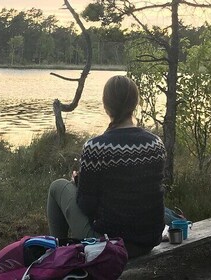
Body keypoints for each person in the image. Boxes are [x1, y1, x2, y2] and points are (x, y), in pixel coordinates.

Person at [46, 75, 166, 258]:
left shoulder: (96, 147)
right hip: (148, 240)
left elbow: (87, 205)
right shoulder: (155, 144)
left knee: (57, 187)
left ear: (106, 105)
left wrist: (79, 184)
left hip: (110, 246)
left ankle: (56, 258)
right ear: (135, 103)